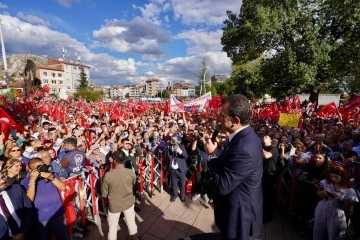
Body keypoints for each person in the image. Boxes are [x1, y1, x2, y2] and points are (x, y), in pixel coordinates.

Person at [205, 94, 263, 240]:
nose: (218, 120)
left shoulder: (245, 147)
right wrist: (219, 150)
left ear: (235, 121)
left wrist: (212, 155)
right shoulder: (242, 136)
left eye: (222, 115)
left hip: (240, 219)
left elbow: (223, 185)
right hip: (233, 210)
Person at [21, 157, 68, 240]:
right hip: (40, 218)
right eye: (38, 168)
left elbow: (63, 188)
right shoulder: (24, 181)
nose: (42, 169)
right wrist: (32, 180)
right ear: (31, 170)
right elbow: (29, 199)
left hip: (57, 213)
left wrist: (52, 178)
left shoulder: (52, 174)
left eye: (43, 166)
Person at [313, 165, 358, 240]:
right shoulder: (326, 182)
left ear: (342, 177)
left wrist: (341, 201)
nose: (333, 179)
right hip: (322, 208)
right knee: (318, 231)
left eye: (336, 177)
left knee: (335, 235)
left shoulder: (349, 190)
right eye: (331, 176)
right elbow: (318, 193)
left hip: (337, 213)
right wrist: (324, 193)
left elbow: (351, 208)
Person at [102, 150, 139, 240]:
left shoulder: (108, 175)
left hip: (114, 205)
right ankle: (135, 238)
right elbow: (135, 186)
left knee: (113, 227)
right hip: (128, 202)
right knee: (131, 222)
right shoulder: (131, 173)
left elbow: (104, 193)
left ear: (114, 161)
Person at [0, 171, 35, 240]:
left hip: (27, 233)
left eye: (2, 177)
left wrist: (23, 233)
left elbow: (29, 210)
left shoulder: (16, 189)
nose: (3, 181)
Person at [167, 133, 188, 202]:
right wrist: (167, 147)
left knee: (182, 183)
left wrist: (180, 151)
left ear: (178, 140)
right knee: (174, 183)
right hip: (173, 169)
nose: (173, 141)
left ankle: (182, 196)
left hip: (180, 169)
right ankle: (175, 195)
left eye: (175, 139)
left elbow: (186, 156)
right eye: (172, 139)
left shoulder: (181, 146)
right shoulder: (170, 147)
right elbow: (165, 155)